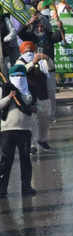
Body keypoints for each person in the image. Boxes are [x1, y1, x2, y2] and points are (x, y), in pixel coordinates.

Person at [0, 64, 37, 198]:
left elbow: (32, 104)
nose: (19, 79)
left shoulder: (28, 90)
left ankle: (26, 187)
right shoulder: (4, 89)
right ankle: (2, 189)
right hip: (7, 130)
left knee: (25, 161)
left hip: (25, 130)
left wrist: (33, 107)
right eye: (15, 76)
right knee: (6, 161)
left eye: (21, 76)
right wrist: (9, 97)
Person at [16, 41, 53, 153]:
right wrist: (33, 62)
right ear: (22, 51)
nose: (29, 52)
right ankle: (32, 144)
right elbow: (21, 71)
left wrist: (47, 58)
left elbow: (50, 69)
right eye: (26, 51)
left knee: (45, 118)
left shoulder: (41, 60)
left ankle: (43, 140)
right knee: (32, 120)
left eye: (30, 50)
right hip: (29, 94)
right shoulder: (20, 61)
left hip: (42, 92)